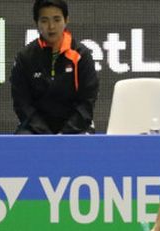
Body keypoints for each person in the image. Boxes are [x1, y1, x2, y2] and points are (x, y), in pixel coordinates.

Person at [10, 0, 98, 134]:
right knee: (22, 145)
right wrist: (46, 135)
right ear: (36, 23)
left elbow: (87, 102)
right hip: (36, 129)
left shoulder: (81, 55)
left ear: (66, 20)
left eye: (57, 20)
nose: (51, 27)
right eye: (44, 21)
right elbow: (22, 104)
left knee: (84, 145)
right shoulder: (25, 58)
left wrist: (64, 135)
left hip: (75, 127)